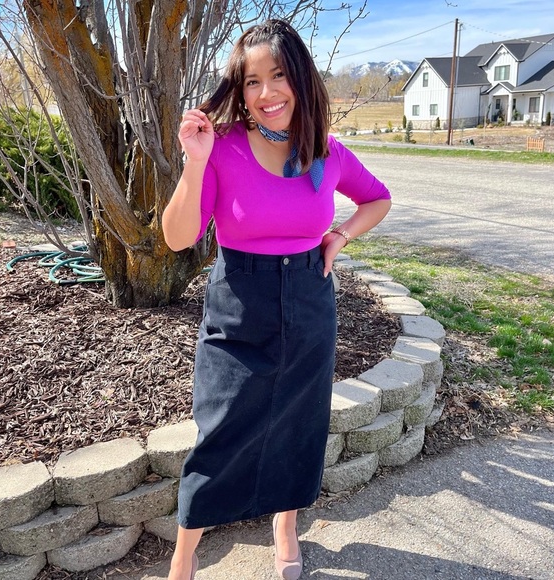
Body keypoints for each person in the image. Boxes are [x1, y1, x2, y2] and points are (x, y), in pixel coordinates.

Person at [162, 19, 391, 580]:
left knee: (298, 423)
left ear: (301, 79)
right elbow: (178, 237)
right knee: (220, 431)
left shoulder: (325, 150)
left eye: (279, 75)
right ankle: (185, 552)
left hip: (310, 301)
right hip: (240, 304)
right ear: (240, 91)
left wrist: (340, 236)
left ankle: (285, 527)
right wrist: (194, 161)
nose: (267, 92)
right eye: (252, 81)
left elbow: (377, 199)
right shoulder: (221, 148)